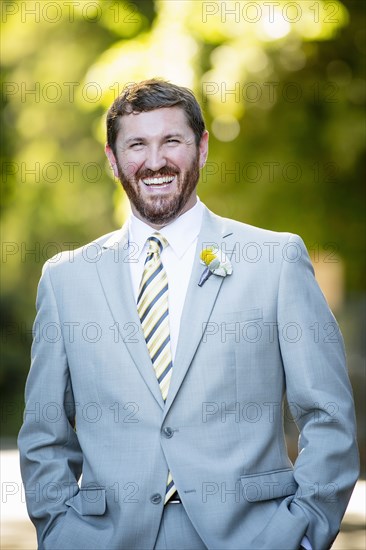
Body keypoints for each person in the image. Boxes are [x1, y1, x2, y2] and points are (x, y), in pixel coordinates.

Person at [18, 79, 359, 550]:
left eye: (171, 141)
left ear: (200, 149)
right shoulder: (65, 280)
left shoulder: (275, 260)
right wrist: (60, 533)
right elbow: (44, 433)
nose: (154, 161)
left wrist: (301, 532)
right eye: (137, 144)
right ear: (112, 159)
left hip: (253, 538)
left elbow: (327, 414)